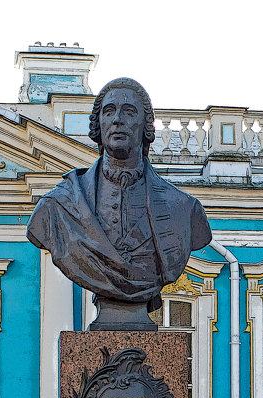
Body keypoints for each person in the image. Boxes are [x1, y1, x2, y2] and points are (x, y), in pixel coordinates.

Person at [26, 77, 211, 330]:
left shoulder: (183, 209)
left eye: (129, 112)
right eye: (109, 111)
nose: (117, 120)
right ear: (98, 125)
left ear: (145, 127)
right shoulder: (58, 206)